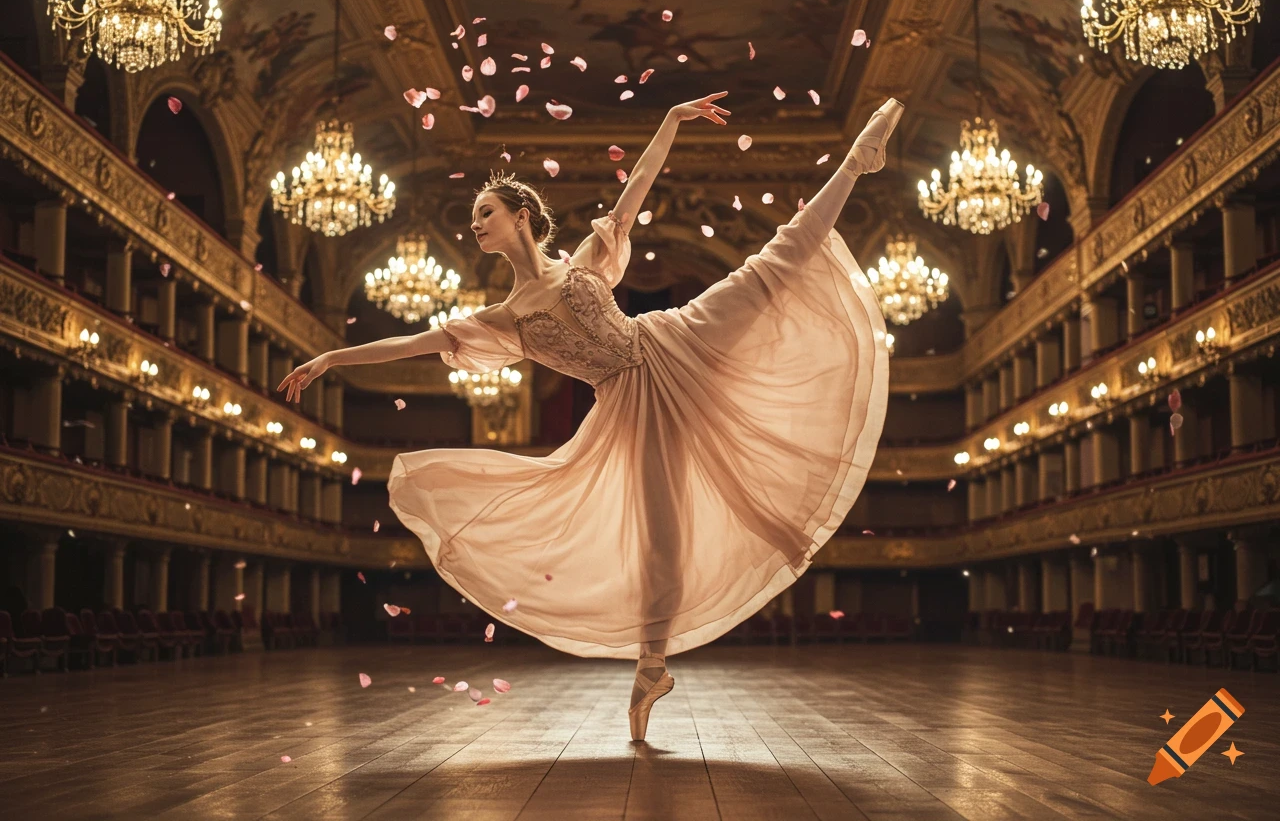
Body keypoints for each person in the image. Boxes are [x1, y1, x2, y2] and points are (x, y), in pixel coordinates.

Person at [279, 93, 900, 740]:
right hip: (630, 409)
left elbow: (636, 187)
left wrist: (670, 120)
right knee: (662, 540)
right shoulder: (502, 319)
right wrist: (331, 358)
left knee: (769, 268)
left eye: (483, 213)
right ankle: (650, 668)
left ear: (521, 215)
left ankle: (859, 159)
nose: (474, 225)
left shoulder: (584, 261)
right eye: (472, 218)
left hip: (667, 342)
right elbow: (411, 344)